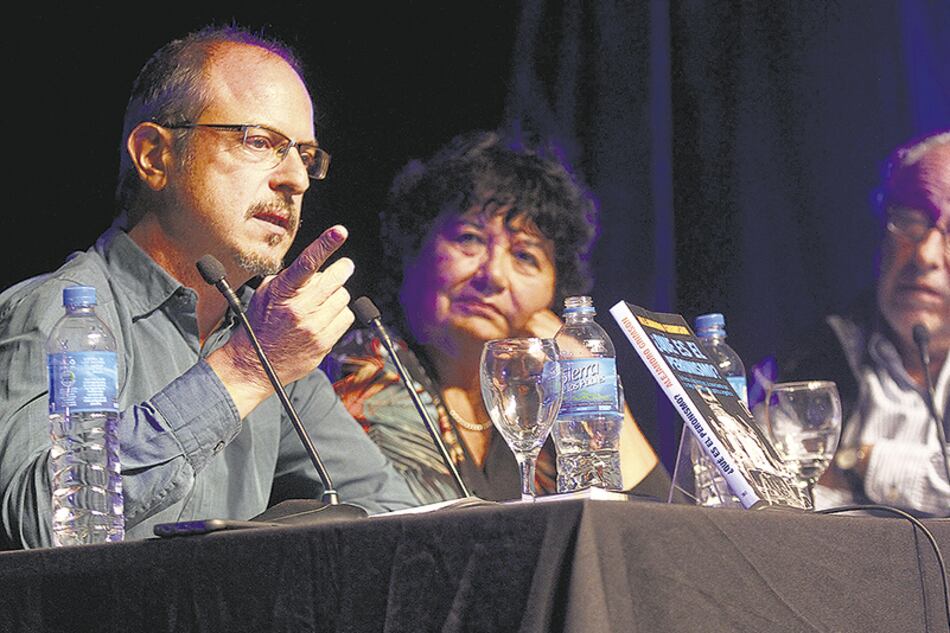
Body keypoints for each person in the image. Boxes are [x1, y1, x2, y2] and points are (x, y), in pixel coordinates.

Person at [0, 26, 416, 549]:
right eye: (260, 142)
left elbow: (399, 519)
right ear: (154, 156)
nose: (297, 180)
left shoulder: (259, 334)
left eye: (305, 155)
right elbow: (36, 523)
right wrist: (241, 369)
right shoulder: (57, 315)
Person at [324, 130, 669, 503]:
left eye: (525, 257)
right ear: (414, 245)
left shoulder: (531, 402)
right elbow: (441, 534)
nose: (494, 275)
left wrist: (586, 372)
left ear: (555, 292)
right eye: (469, 238)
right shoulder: (366, 367)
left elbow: (656, 525)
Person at [765, 129, 949, 517]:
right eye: (910, 222)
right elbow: (761, 496)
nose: (926, 254)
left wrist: (858, 460)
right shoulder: (806, 359)